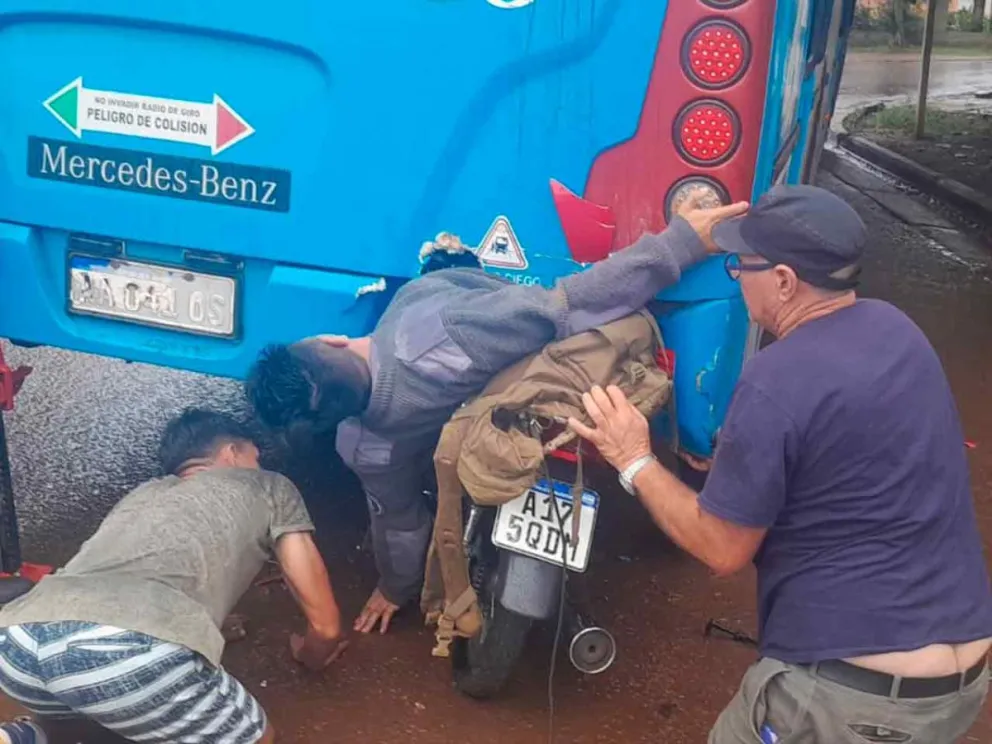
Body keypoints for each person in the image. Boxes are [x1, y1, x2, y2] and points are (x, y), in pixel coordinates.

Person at [567, 184, 992, 743]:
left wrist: (634, 459)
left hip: (853, 699)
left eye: (743, 265)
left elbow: (722, 549)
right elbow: (850, 459)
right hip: (961, 680)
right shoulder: (897, 331)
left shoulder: (777, 379)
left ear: (786, 281)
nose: (738, 278)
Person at [245, 195, 749, 635]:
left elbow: (399, 525)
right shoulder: (436, 331)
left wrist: (394, 588)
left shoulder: (366, 450)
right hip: (524, 365)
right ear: (332, 340)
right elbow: (572, 303)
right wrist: (681, 242)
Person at [0, 409, 347, 744]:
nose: (259, 466)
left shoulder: (144, 493)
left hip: (18, 644)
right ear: (232, 452)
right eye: (255, 457)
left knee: (83, 717)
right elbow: (326, 627)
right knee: (255, 737)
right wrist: (311, 653)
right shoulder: (269, 486)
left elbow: (147, 570)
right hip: (124, 648)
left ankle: (17, 736)